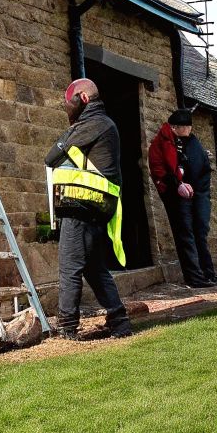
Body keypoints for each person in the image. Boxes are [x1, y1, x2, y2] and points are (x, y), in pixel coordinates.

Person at [45, 77, 134, 340]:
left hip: (81, 204)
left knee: (69, 266)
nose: (67, 108)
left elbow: (51, 157)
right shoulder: (103, 123)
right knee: (93, 267)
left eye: (68, 103)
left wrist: (69, 134)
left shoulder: (93, 124)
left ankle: (66, 327)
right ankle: (119, 320)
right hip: (95, 206)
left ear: (83, 98)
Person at [149, 107, 217, 288]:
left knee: (199, 232)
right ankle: (195, 277)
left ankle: (207, 273)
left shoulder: (187, 141)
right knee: (185, 234)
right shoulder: (162, 142)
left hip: (195, 192)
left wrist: (196, 188)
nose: (189, 130)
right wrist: (178, 184)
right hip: (176, 194)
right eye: (186, 127)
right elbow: (160, 169)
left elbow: (198, 167)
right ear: (175, 127)